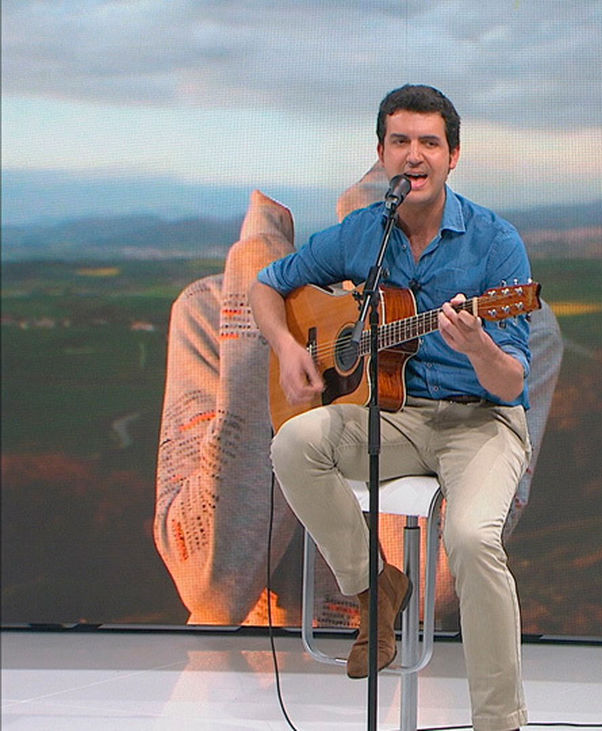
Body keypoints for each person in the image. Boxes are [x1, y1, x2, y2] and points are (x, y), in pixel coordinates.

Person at [153, 174, 561, 630]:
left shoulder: (506, 323)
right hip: (240, 679)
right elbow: (214, 586)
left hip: (415, 676)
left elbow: (432, 581)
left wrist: (390, 306)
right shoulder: (213, 313)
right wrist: (263, 328)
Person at [250, 84, 534, 730]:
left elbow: (513, 378)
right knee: (292, 443)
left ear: (453, 155)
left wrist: (478, 343)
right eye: (400, 141)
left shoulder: (494, 243)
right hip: (393, 413)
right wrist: (288, 345)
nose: (414, 155)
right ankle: (376, 587)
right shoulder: (364, 233)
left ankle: (499, 720)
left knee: (469, 537)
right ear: (380, 153)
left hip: (480, 419)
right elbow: (270, 284)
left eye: (428, 142)